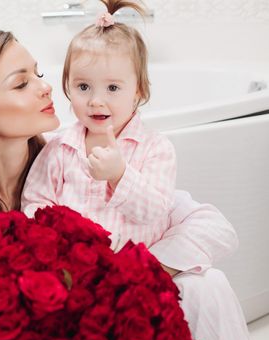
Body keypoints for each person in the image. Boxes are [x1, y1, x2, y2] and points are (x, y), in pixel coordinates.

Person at [0, 30, 250, 340]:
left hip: (92, 315)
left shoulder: (76, 158)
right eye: (21, 82)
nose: (46, 87)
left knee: (207, 285)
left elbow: (210, 225)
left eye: (39, 74)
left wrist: (133, 277)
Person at [21, 0, 176, 252]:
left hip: (131, 271)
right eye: (83, 87)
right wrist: (54, 237)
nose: (96, 101)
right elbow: (34, 202)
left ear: (137, 91)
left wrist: (120, 175)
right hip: (73, 266)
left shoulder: (155, 148)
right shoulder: (59, 148)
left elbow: (156, 212)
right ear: (68, 86)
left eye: (113, 88)